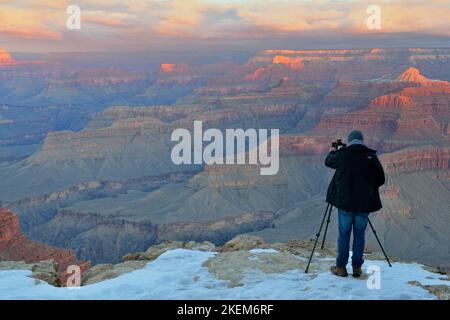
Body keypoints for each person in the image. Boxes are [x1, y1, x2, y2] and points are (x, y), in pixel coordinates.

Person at [325, 130, 385, 277]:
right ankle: (357, 267)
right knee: (360, 235)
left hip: (345, 203)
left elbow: (328, 162)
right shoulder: (371, 156)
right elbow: (380, 179)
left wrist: (334, 151)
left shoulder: (343, 154)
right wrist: (368, 187)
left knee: (344, 234)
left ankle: (341, 267)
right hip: (363, 205)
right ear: (362, 140)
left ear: (350, 141)